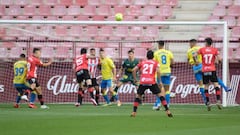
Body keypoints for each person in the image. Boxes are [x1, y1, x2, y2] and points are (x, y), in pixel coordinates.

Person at [187, 39, 231, 104]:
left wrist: (195, 62)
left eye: (190, 43)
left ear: (192, 43)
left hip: (195, 67)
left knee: (201, 85)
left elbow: (190, 58)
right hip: (202, 66)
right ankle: (225, 87)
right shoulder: (200, 48)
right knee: (215, 79)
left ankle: (205, 100)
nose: (189, 45)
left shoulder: (189, 51)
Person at [131, 50, 173, 117]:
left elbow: (133, 70)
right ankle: (167, 111)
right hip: (151, 81)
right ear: (153, 56)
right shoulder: (155, 63)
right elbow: (158, 71)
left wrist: (135, 79)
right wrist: (159, 82)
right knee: (160, 95)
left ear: (146, 56)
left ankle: (134, 112)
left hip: (143, 81)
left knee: (138, 96)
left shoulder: (142, 62)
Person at [198, 38, 222, 111]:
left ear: (206, 43)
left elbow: (194, 54)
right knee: (216, 84)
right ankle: (218, 101)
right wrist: (219, 62)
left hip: (204, 70)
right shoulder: (214, 50)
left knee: (206, 86)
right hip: (212, 69)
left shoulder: (202, 49)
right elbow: (220, 59)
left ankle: (208, 102)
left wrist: (196, 60)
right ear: (211, 43)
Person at [152, 40, 174, 110]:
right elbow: (173, 62)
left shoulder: (156, 53)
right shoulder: (168, 52)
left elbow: (154, 63)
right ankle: (167, 104)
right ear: (163, 45)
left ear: (158, 45)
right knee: (167, 90)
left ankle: (158, 104)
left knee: (159, 89)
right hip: (167, 72)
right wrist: (168, 65)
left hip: (159, 73)